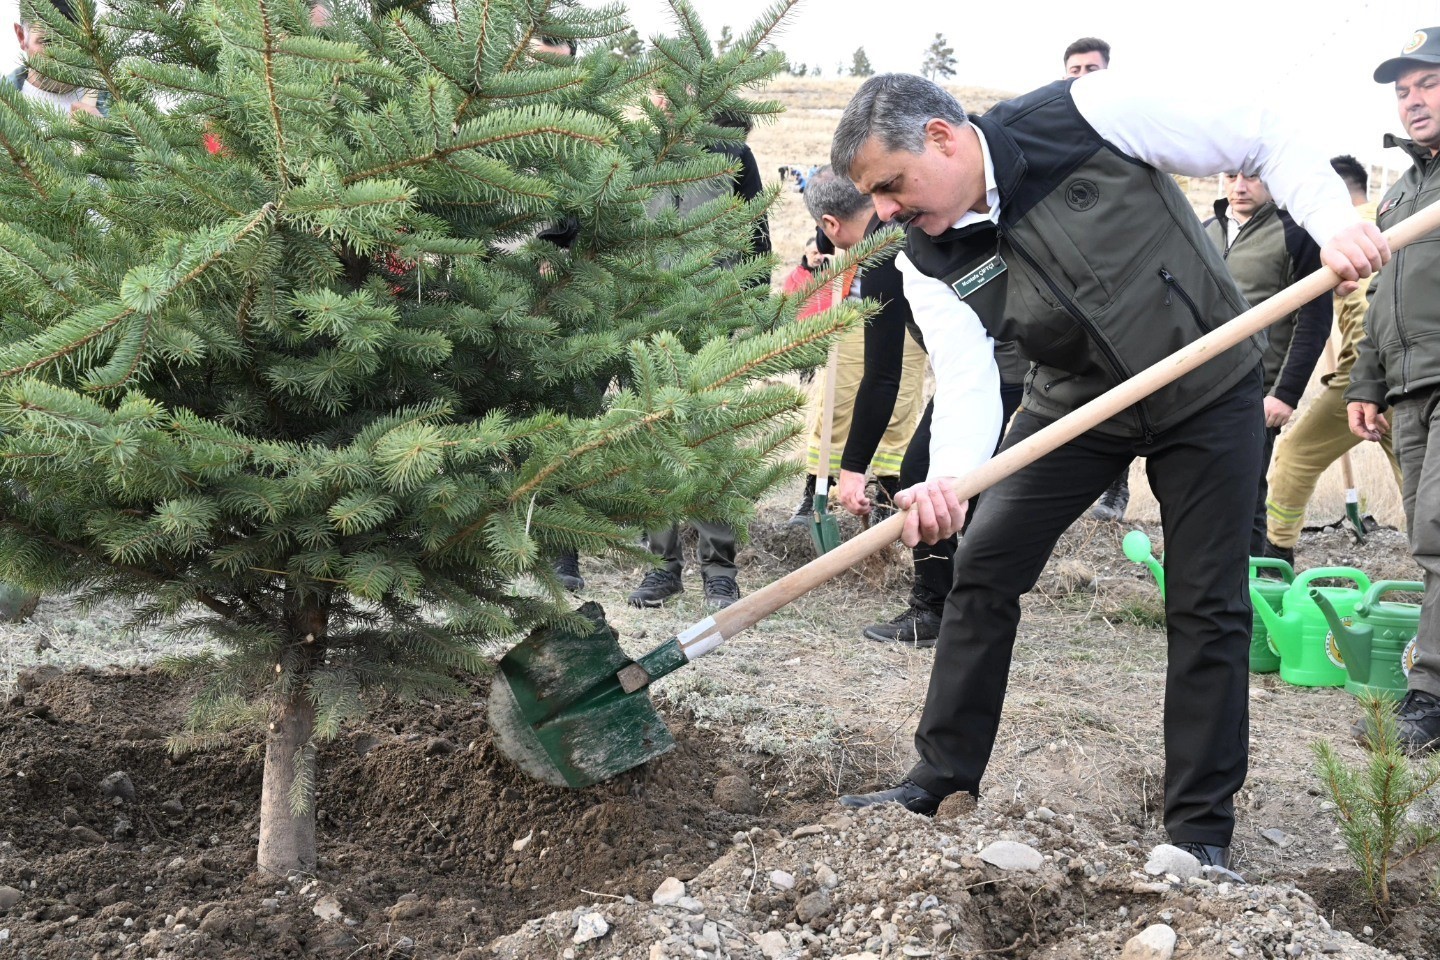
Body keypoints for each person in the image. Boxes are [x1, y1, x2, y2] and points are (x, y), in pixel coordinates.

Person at [828, 71, 1385, 872]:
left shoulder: (1083, 116)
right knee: (981, 565)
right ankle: (942, 777)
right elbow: (968, 374)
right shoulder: (928, 248)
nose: (884, 210)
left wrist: (1330, 222)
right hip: (1073, 404)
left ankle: (1198, 830)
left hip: (1208, 381)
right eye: (874, 196)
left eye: (890, 184)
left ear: (942, 139)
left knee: (1206, 600)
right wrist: (951, 476)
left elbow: (1261, 130)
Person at [801, 166, 1024, 646]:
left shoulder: (883, 251)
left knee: (934, 474)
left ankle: (945, 609)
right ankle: (957, 602)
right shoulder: (903, 231)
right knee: (946, 475)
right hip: (990, 361)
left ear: (831, 225)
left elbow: (883, 374)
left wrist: (853, 467)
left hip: (1002, 366)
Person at [628, 106, 771, 611]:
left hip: (714, 318)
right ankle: (661, 568)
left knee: (711, 442)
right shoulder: (640, 153)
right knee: (654, 441)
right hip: (647, 317)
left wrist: (756, 309)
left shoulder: (733, 154)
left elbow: (757, 237)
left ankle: (720, 572)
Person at [1346, 26, 1440, 755]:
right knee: (1424, 538)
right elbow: (1383, 295)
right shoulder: (1404, 188)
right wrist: (1368, 379)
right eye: (1403, 91)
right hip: (1408, 386)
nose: (1413, 101)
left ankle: (1432, 696)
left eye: (1427, 83)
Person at [1265, 156, 1402, 561]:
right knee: (1419, 482)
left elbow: (1365, 318)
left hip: (1366, 379)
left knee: (1295, 456)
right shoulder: (1389, 223)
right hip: (1411, 377)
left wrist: (1365, 378)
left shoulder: (1347, 233)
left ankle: (1276, 552)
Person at [1202, 172, 1331, 555]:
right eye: (1231, 177)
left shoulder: (1296, 234)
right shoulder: (1204, 230)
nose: (1240, 187)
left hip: (1256, 391)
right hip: (1197, 390)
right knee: (1200, 489)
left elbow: (1313, 319)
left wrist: (1284, 393)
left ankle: (1255, 588)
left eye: (1253, 177)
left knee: (1245, 492)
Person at [10, 0, 105, 116]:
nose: (61, 56)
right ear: (21, 36)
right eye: (48, 42)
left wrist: (106, 132)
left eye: (72, 41)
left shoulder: (122, 100)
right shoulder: (4, 109)